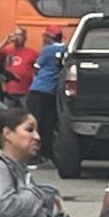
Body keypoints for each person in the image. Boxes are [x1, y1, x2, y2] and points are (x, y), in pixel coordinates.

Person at [26, 27, 67, 161]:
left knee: (35, 122)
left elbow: (36, 69)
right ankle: (47, 153)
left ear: (49, 37)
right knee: (48, 124)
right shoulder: (66, 50)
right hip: (53, 92)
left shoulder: (47, 50)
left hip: (39, 89)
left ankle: (34, 154)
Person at [0, 28, 39, 100]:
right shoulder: (7, 50)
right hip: (8, 92)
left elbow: (38, 70)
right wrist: (5, 41)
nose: (17, 37)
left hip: (25, 92)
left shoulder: (32, 53)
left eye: (19, 35)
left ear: (24, 38)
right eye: (15, 34)